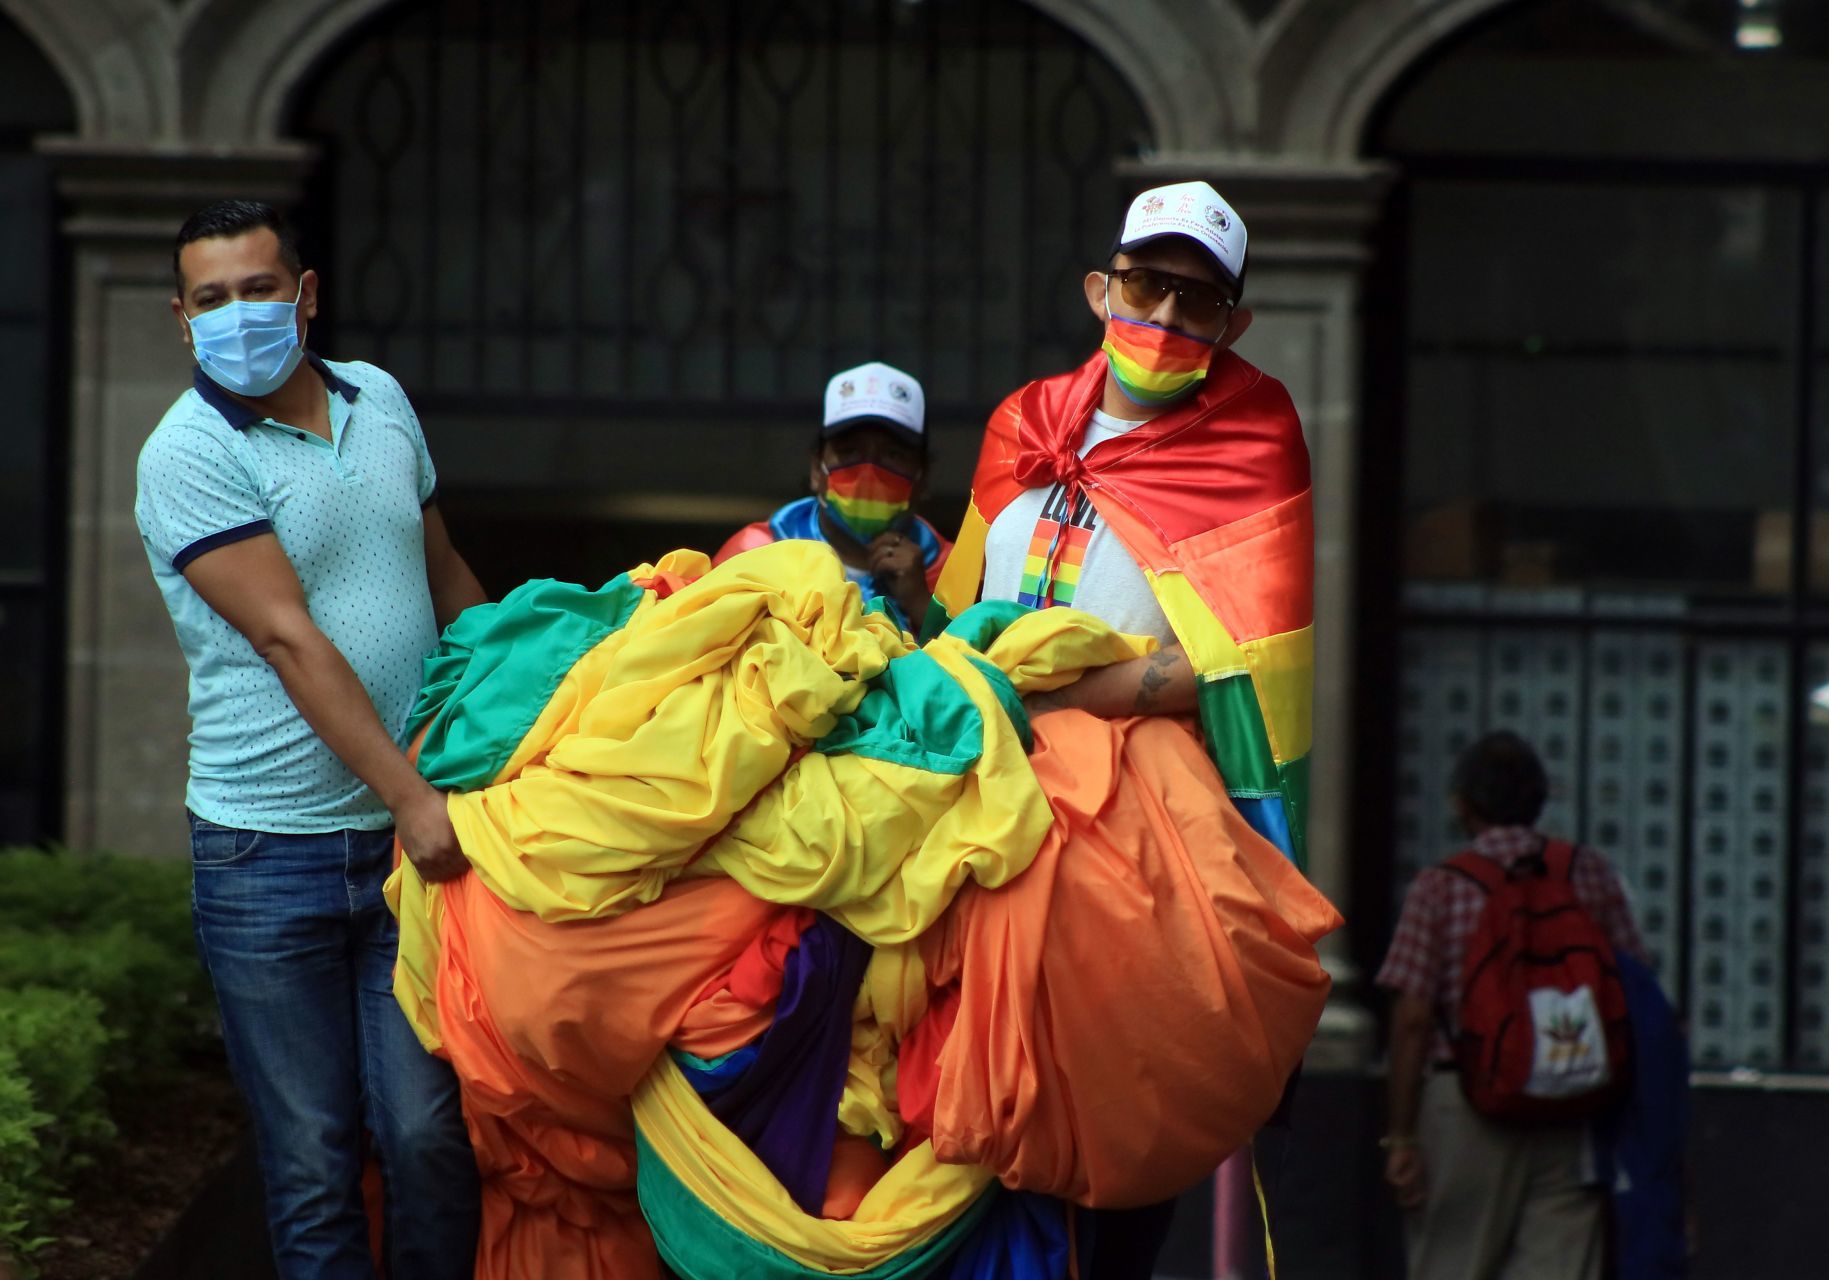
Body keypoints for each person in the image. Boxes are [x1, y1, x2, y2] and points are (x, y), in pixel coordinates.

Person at [925, 180, 1314, 1277]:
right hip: (971, 791)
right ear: (1100, 288)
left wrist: (1074, 697)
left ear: (1231, 326)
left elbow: (1243, 665)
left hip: (1137, 824)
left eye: (1199, 302)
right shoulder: (1021, 422)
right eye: (1147, 285)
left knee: (1124, 1091)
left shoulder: (1253, 436)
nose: (1169, 318)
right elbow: (953, 624)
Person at [134, 199, 483, 1279]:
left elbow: (445, 575)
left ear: (306, 292)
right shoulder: (184, 453)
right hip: (266, 856)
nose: (238, 314)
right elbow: (289, 637)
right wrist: (414, 796)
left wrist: (521, 702)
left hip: (402, 850)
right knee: (314, 1159)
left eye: (257, 288)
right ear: (181, 320)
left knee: (431, 1134)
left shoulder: (378, 398)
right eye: (211, 299)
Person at [1376, 730, 1648, 1280]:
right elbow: (1636, 994)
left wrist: (1401, 1135)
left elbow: (1412, 1020)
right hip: (1575, 1097)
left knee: (1452, 1264)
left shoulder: (1439, 887)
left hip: (1465, 1105)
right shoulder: (1587, 874)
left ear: (1461, 803)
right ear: (1540, 799)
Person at [714, 360, 950, 627]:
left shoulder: (954, 571)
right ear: (817, 469)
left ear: (923, 477)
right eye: (850, 451)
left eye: (893, 455)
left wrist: (920, 604)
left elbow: (979, 663)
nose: (868, 471)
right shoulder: (753, 554)